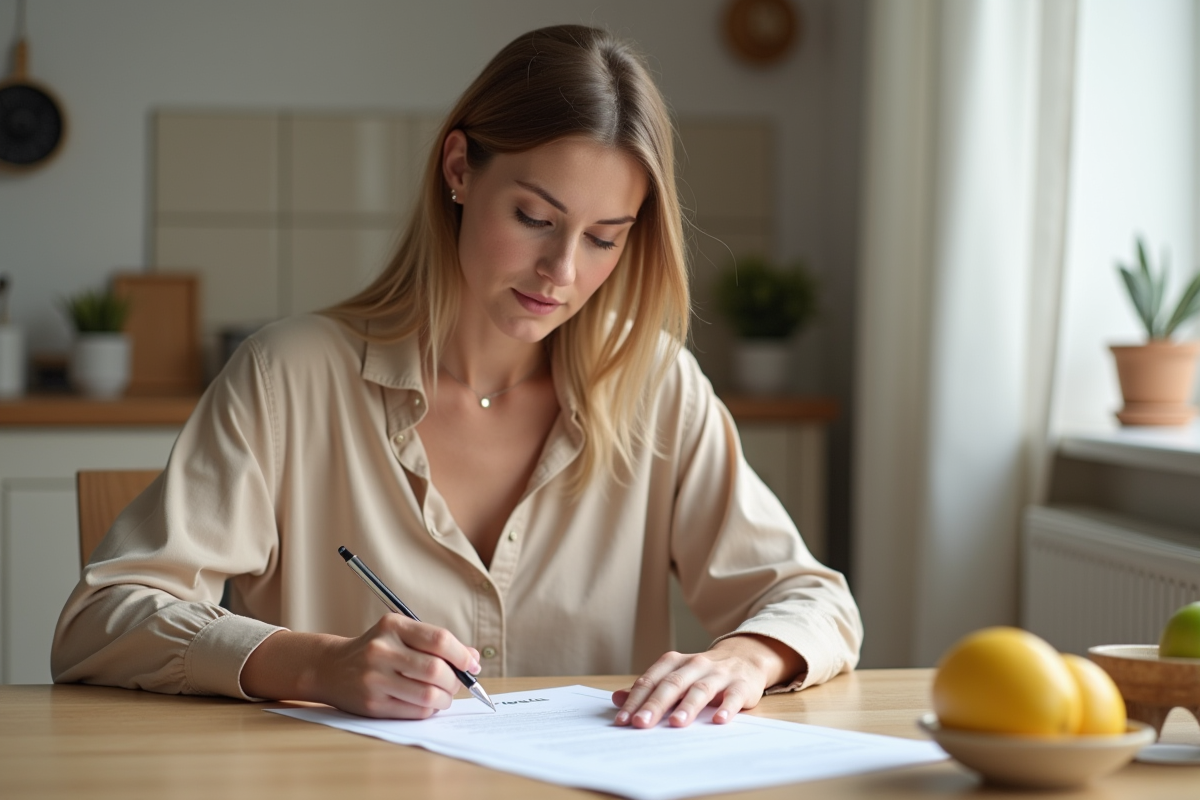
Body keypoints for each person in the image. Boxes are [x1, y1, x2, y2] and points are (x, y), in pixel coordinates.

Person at [52, 24, 861, 728]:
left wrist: (747, 659)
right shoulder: (289, 375)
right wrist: (314, 666)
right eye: (536, 219)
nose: (562, 272)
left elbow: (816, 601)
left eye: (604, 238)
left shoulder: (652, 383)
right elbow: (99, 622)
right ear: (460, 168)